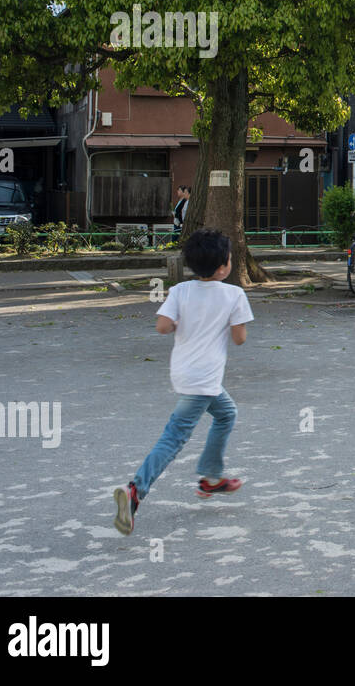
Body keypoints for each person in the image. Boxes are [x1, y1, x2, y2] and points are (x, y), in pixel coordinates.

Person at [113, 228, 254, 535]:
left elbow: (162, 327)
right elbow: (240, 339)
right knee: (174, 437)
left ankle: (211, 478)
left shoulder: (179, 290)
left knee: (226, 413)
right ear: (223, 266)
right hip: (204, 379)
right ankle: (136, 490)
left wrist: (184, 321)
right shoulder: (234, 295)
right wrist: (231, 323)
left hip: (185, 372)